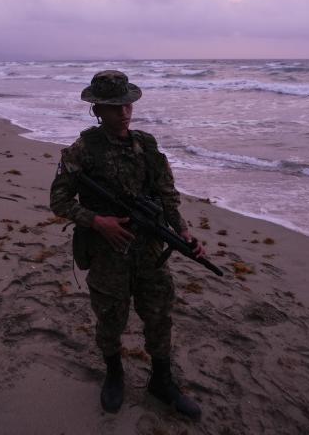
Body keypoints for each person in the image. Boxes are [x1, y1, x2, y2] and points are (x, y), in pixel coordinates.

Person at [49, 70, 203, 419]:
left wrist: (184, 232)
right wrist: (96, 221)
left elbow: (168, 196)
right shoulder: (82, 150)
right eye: (116, 106)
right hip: (107, 252)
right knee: (110, 318)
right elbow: (58, 200)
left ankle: (162, 382)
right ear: (98, 109)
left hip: (150, 250)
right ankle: (115, 374)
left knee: (160, 315)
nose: (125, 112)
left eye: (128, 104)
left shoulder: (146, 146)